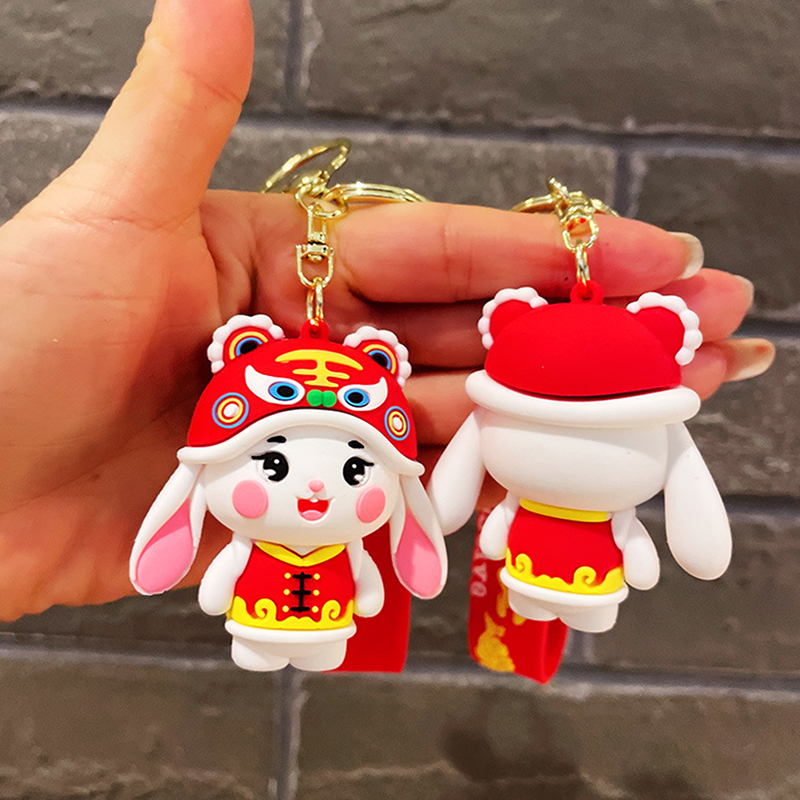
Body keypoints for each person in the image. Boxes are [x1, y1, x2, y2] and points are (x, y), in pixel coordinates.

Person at [0, 0, 770, 621]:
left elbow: (468, 474)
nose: (310, 493)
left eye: (350, 469)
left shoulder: (551, 445)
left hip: (562, 560)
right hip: (280, 609)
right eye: (274, 463)